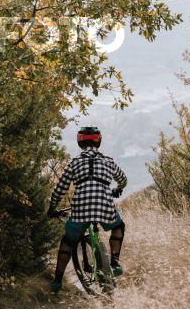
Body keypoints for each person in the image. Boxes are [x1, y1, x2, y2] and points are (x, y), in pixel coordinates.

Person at [47, 125, 127, 293]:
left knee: (68, 241)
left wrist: (52, 208)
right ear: (98, 142)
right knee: (119, 227)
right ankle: (114, 262)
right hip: (105, 206)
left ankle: (57, 281)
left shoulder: (74, 162)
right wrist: (117, 189)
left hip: (81, 209)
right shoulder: (108, 160)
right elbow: (123, 179)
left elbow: (60, 189)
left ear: (79, 142)